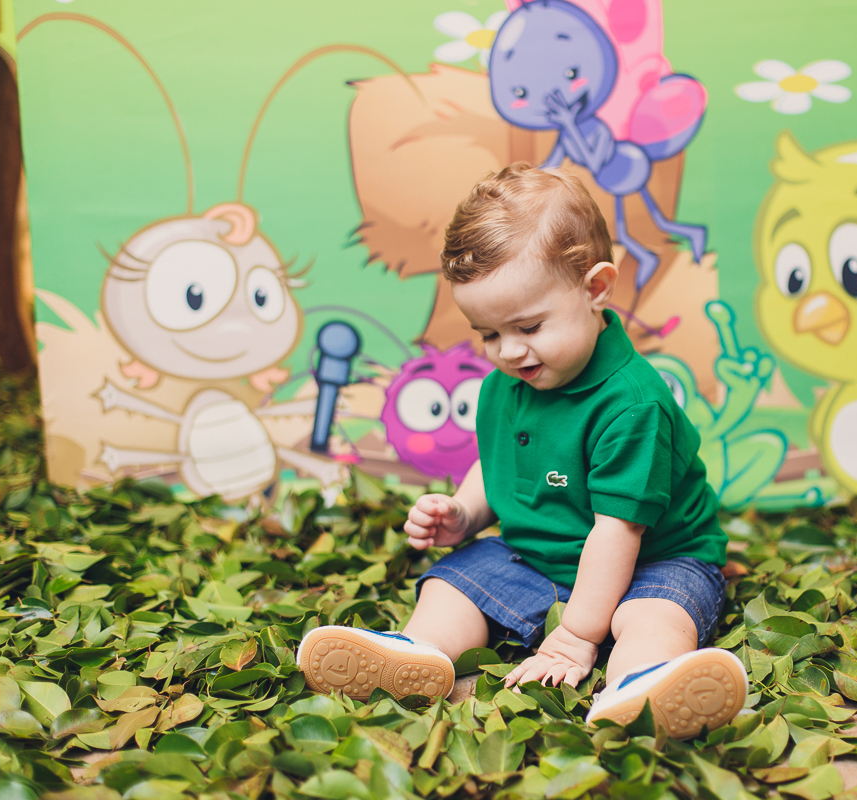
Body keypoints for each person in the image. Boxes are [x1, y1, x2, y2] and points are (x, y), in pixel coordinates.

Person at [297, 163, 747, 738]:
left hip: (653, 560)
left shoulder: (634, 405)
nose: (508, 352)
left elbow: (619, 532)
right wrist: (464, 514)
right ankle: (418, 652)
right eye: (488, 334)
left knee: (655, 616)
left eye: (529, 327)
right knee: (452, 583)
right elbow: (499, 464)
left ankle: (640, 684)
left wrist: (576, 637)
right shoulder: (506, 385)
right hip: (538, 560)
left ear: (596, 289)